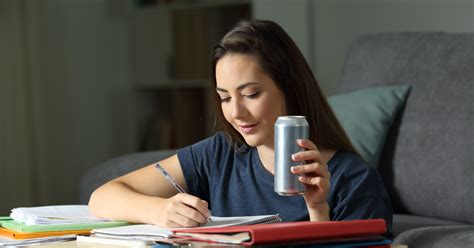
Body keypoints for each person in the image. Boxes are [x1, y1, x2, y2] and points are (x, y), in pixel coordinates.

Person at [89, 20, 393, 234]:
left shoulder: (355, 182)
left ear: (290, 88)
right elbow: (103, 196)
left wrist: (317, 210)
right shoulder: (219, 155)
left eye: (251, 94)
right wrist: (159, 211)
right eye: (224, 97)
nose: (236, 113)